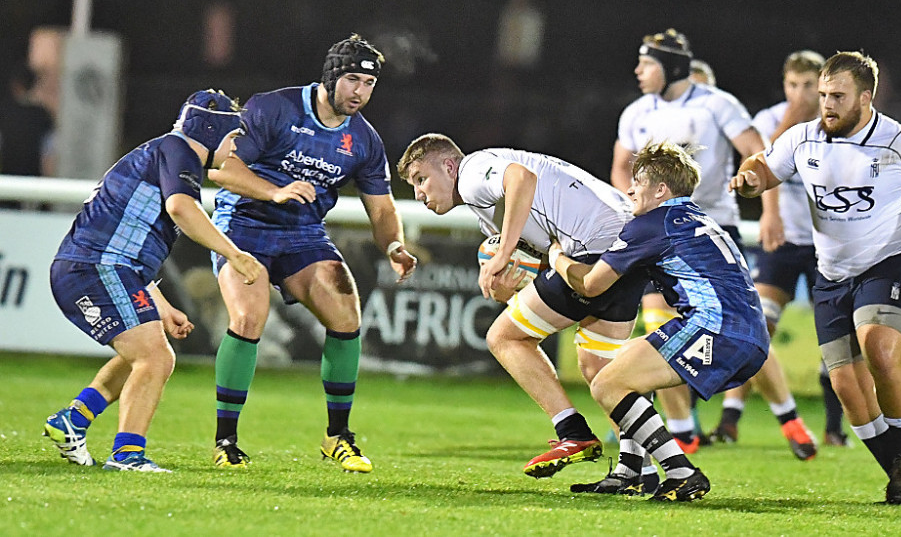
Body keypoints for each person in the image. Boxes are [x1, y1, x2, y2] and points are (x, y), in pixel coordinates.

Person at [729, 50, 901, 504]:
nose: (827, 105)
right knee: (847, 390)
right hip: (832, 275)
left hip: (891, 261)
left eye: (838, 96)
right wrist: (750, 178)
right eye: (823, 95)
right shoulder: (803, 139)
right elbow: (764, 167)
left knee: (879, 347)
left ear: (866, 99)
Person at [209, 34, 417, 471]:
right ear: (330, 76)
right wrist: (275, 191)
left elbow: (381, 208)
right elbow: (223, 169)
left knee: (346, 315)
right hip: (243, 223)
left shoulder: (364, 140)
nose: (360, 92)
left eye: (369, 83)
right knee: (248, 318)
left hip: (303, 233)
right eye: (352, 80)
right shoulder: (273, 108)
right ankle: (225, 440)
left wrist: (394, 244)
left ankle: (337, 437)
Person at [397, 133, 647, 481]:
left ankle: (573, 433)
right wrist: (513, 287)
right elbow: (545, 259)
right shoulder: (488, 208)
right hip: (627, 246)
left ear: (449, 166)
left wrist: (502, 253)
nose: (419, 193)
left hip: (597, 248)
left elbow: (521, 178)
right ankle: (641, 470)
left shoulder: (471, 173)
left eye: (421, 179)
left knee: (505, 338)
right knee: (601, 369)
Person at [43, 89, 264, 472]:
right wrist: (235, 253)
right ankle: (127, 456)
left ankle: (74, 419)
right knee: (155, 358)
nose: (233, 150)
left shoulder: (164, 152)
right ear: (210, 131)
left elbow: (128, 240)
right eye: (232, 138)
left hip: (105, 267)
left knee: (144, 354)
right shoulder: (179, 151)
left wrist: (160, 304)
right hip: (96, 268)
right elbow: (181, 208)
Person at [548, 140, 769, 501]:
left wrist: (555, 255)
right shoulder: (696, 217)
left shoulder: (652, 224)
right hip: (742, 331)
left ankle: (682, 472)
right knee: (624, 367)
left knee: (606, 386)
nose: (630, 189)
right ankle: (631, 472)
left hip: (718, 328)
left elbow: (590, 284)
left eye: (638, 182)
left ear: (661, 190)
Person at [610, 29, 778, 455]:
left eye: (647, 64)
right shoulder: (634, 113)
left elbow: (757, 153)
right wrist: (636, 211)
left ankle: (785, 416)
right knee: (656, 328)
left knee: (736, 324)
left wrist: (768, 208)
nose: (638, 71)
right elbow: (620, 172)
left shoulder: (716, 104)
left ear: (672, 68)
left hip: (710, 230)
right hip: (658, 236)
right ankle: (682, 430)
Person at [709, 51, 831, 458]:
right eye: (793, 86)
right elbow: (767, 159)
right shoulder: (769, 119)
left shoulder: (835, 124)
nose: (800, 94)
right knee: (758, 326)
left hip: (828, 244)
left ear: (823, 85)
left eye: (808, 86)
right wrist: (770, 215)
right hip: (782, 241)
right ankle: (730, 417)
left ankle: (835, 427)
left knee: (836, 334)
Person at [0, 63, 56, 207]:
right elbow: (48, 153)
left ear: (15, 86)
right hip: (34, 179)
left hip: (8, 179)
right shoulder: (43, 115)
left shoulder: (5, 113)